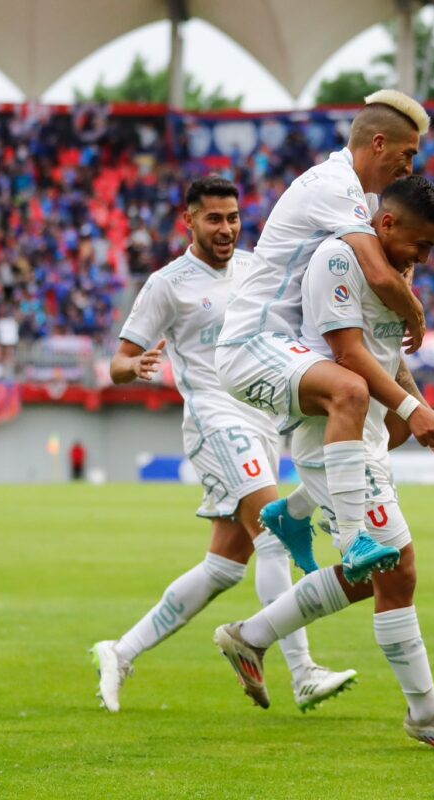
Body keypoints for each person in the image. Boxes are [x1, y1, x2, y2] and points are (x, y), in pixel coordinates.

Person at [214, 175, 434, 753]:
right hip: (328, 432)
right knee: (399, 568)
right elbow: (347, 354)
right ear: (386, 223)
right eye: (422, 244)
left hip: (362, 434)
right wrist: (413, 413)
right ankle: (427, 714)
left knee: (375, 578)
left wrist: (424, 414)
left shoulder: (397, 274)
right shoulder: (337, 258)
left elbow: (388, 359)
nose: (424, 257)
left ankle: (252, 635)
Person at [89, 176, 355, 714]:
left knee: (224, 568)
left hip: (260, 418)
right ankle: (302, 673)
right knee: (275, 536)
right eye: (214, 218)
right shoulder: (168, 284)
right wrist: (133, 367)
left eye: (233, 217)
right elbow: (119, 358)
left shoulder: (257, 269)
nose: (227, 228)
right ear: (188, 220)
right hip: (214, 418)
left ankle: (121, 650)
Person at [215, 90, 434, 587]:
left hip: (295, 349)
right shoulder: (335, 186)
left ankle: (295, 511)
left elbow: (376, 327)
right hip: (253, 342)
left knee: (391, 426)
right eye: (408, 154)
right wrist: (415, 310)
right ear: (379, 144)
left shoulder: (368, 201)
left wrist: (415, 406)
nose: (411, 166)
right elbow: (377, 274)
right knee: (351, 391)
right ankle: (352, 539)